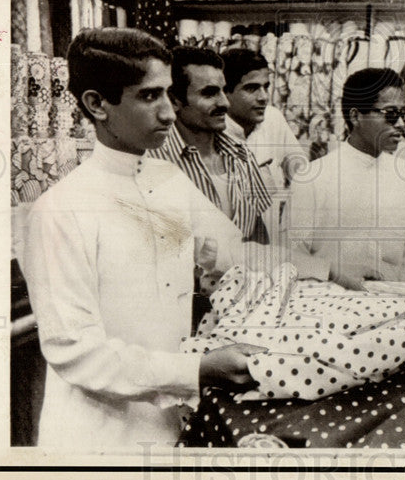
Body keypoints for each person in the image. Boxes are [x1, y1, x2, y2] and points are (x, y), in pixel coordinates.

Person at [21, 28, 264, 451]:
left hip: (172, 425)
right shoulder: (59, 211)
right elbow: (77, 353)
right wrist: (198, 370)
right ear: (97, 104)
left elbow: (230, 252)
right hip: (98, 439)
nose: (169, 114)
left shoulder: (168, 181)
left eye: (169, 94)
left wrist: (327, 269)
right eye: (149, 96)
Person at [286, 68, 405, 290]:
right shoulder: (312, 177)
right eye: (390, 114)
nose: (400, 123)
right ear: (355, 116)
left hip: (394, 305)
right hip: (327, 305)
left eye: (403, 114)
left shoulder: (404, 173)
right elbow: (292, 257)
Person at [149, 47, 272, 244]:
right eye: (210, 93)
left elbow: (257, 230)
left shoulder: (241, 154)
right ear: (174, 101)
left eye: (223, 90)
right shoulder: (154, 162)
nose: (224, 103)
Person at [221, 48, 306, 247]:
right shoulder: (211, 131)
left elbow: (301, 173)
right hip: (230, 253)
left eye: (266, 87)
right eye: (251, 88)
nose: (263, 97)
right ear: (225, 92)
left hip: (273, 248)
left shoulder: (273, 118)